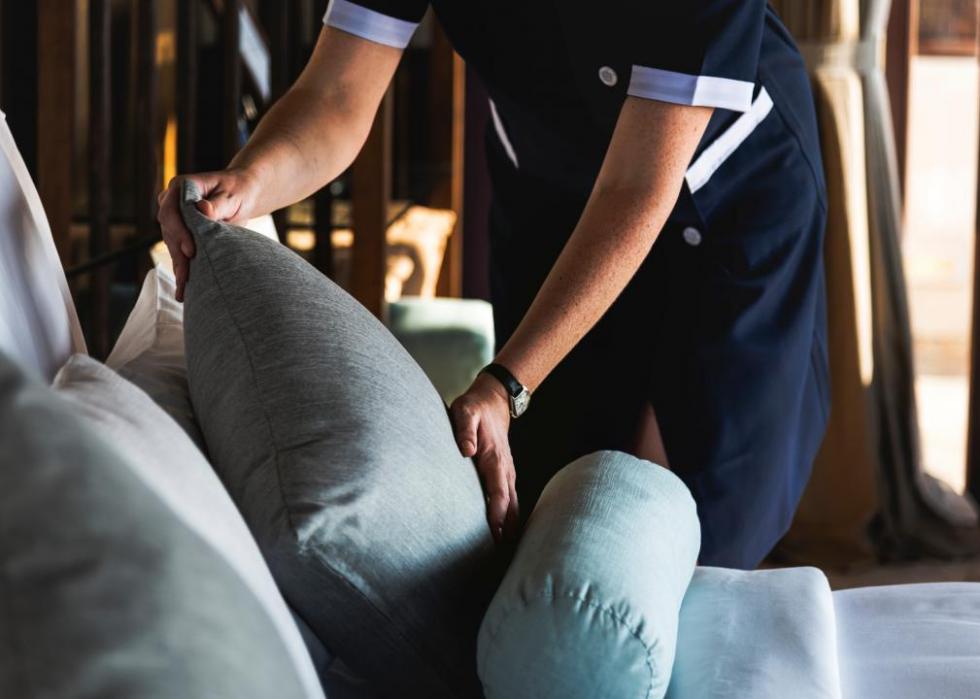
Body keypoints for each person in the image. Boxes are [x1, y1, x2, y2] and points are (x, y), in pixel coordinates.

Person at [158, 1, 829, 570]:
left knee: (694, 528)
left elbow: (635, 186)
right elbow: (335, 96)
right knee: (547, 514)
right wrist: (248, 183)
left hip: (722, 199)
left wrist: (507, 383)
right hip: (552, 195)